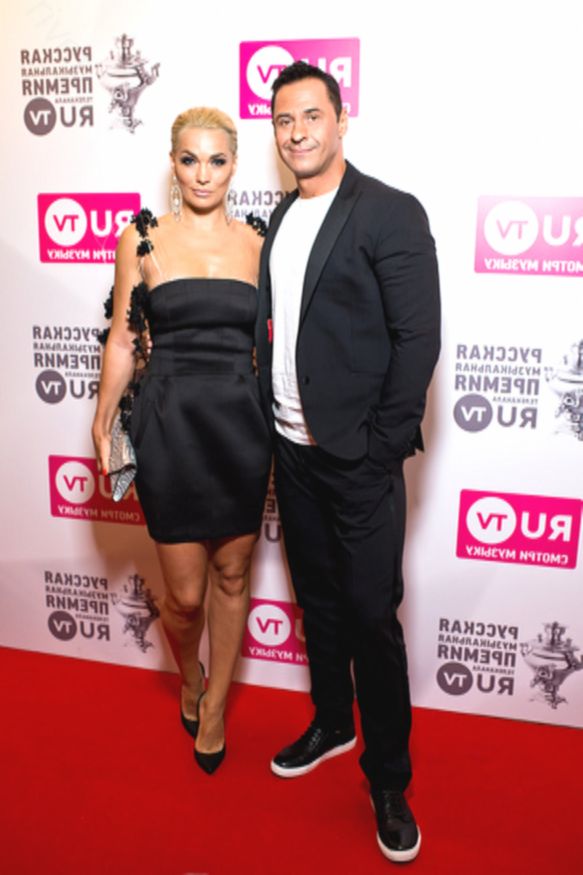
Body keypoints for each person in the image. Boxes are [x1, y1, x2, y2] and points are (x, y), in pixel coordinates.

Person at [255, 62, 440, 862]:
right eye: (282, 119)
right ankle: (332, 721)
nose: (296, 131)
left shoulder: (388, 211)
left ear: (340, 119)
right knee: (320, 604)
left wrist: (380, 446)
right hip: (290, 451)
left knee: (370, 616)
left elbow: (417, 338)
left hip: (356, 459)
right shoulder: (280, 216)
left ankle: (388, 779)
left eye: (310, 115)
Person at [92, 107, 271, 775]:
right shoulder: (141, 239)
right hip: (168, 427)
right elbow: (121, 339)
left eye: (216, 160)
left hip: (241, 428)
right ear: (173, 163)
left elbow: (274, 346)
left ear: (234, 166)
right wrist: (102, 420)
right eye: (190, 159)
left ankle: (215, 704)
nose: (203, 174)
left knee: (233, 574)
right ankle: (188, 675)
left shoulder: (258, 243)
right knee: (186, 597)